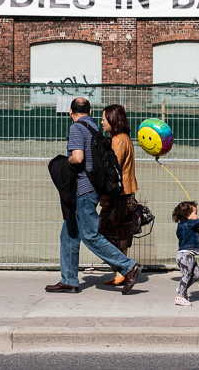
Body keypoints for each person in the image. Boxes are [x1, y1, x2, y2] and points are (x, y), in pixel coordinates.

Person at [46, 97, 141, 295]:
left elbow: (78, 157)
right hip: (93, 188)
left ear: (71, 112)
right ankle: (69, 280)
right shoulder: (94, 128)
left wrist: (66, 162)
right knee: (69, 233)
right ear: (89, 111)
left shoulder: (76, 128)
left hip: (83, 189)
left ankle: (127, 266)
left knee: (89, 235)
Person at [97, 104, 138, 286]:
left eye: (104, 118)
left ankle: (123, 270)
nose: (102, 121)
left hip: (119, 195)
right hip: (125, 192)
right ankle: (122, 271)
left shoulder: (118, 141)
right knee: (120, 233)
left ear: (114, 120)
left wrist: (103, 196)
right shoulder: (122, 138)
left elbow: (112, 169)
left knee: (112, 233)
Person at [172, 200, 199, 306]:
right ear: (187, 215)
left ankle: (183, 287)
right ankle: (180, 296)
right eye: (195, 213)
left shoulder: (184, 226)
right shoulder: (188, 224)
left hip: (189, 255)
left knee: (197, 274)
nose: (197, 215)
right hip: (185, 255)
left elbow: (185, 237)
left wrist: (195, 238)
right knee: (186, 275)